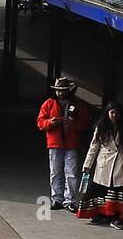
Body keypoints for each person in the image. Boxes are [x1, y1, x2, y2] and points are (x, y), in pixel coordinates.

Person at [36, 76, 92, 212]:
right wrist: (51, 122)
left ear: (68, 90)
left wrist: (74, 123)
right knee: (55, 172)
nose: (60, 93)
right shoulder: (48, 103)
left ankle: (70, 200)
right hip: (55, 143)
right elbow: (40, 122)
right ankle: (57, 199)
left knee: (71, 173)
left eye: (63, 90)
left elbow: (85, 122)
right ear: (55, 91)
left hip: (71, 143)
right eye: (58, 90)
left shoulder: (77, 104)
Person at [78, 101, 123, 229]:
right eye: (112, 112)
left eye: (117, 112)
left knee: (119, 190)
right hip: (104, 162)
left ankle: (119, 218)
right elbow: (94, 147)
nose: (115, 115)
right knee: (99, 189)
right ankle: (100, 214)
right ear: (107, 113)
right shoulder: (101, 127)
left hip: (120, 162)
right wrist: (87, 164)